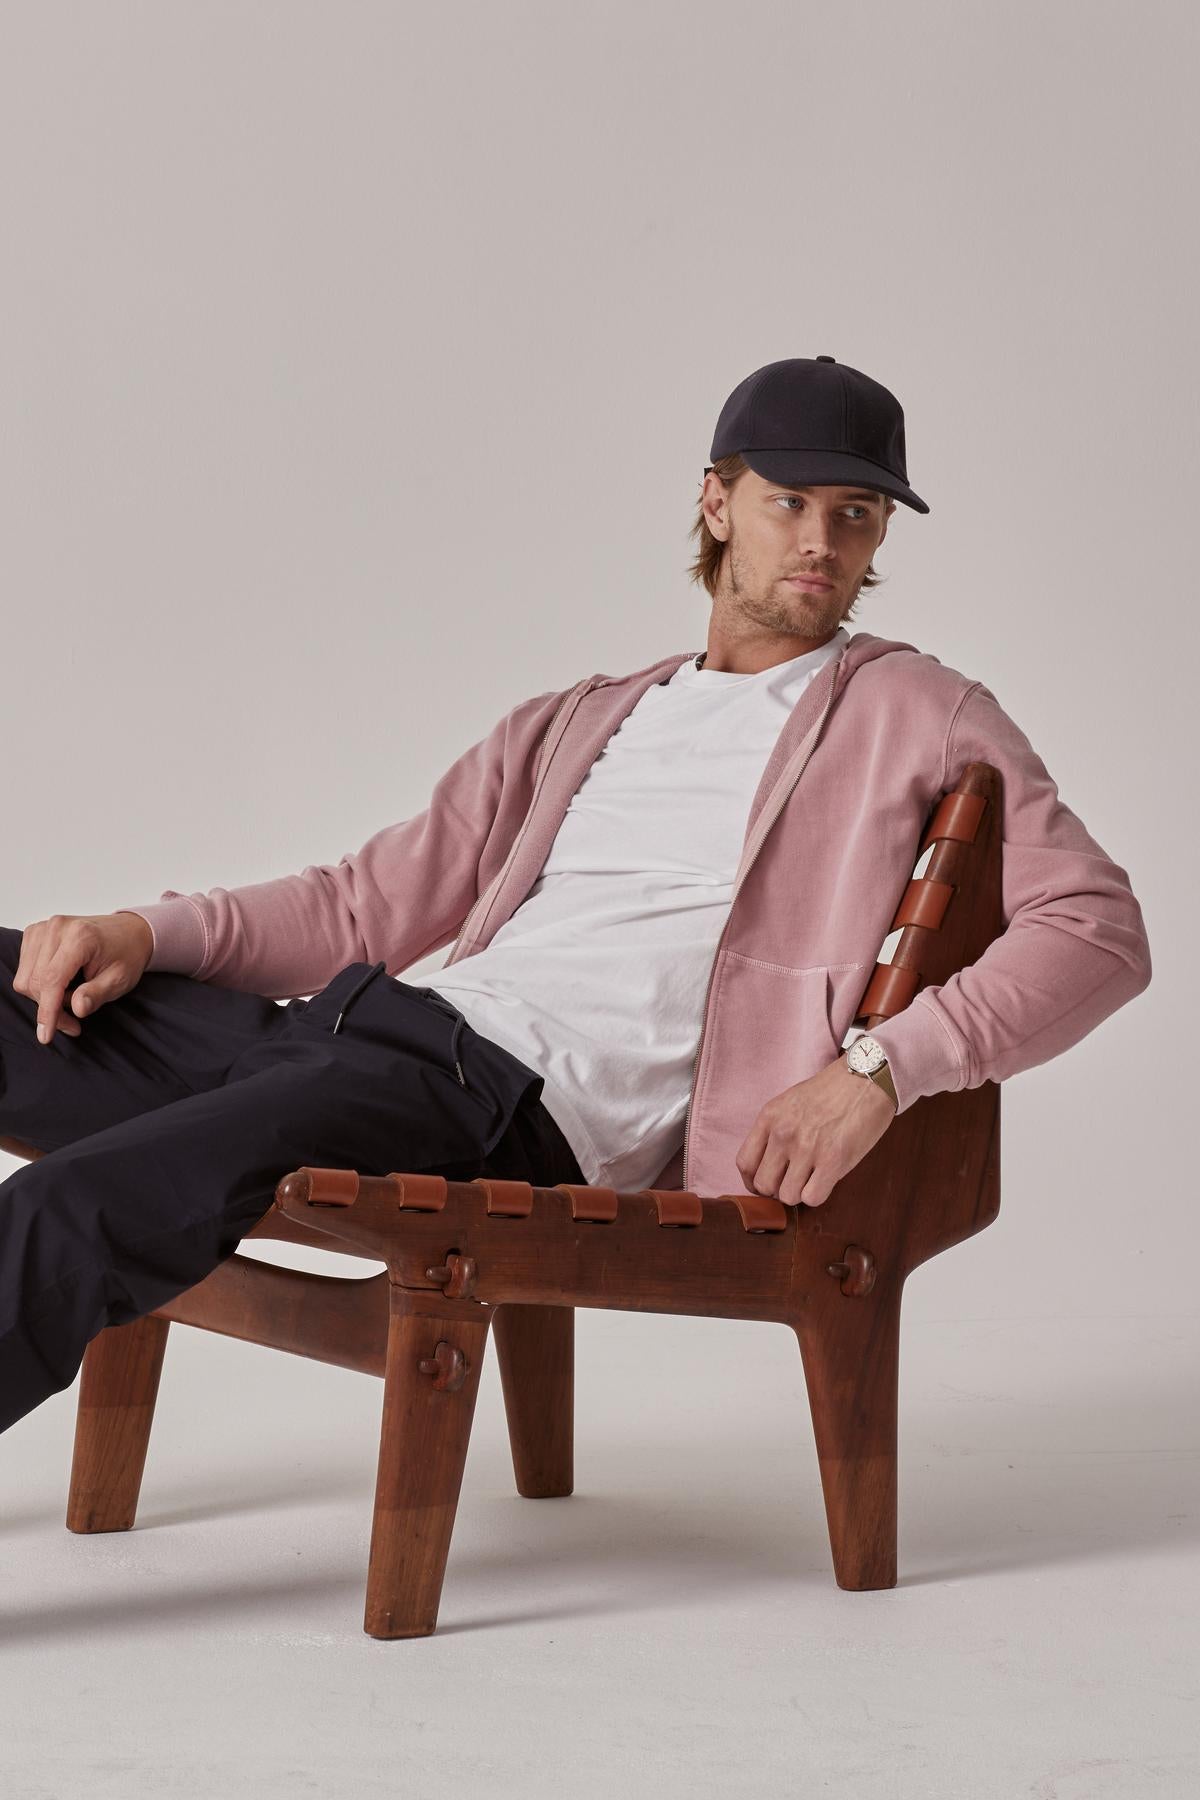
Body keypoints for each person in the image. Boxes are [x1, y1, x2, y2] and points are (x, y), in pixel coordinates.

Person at [0, 355, 1152, 1437]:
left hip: (495, 1105)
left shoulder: (917, 707)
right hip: (349, 1043)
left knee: (75, 1204)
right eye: (789, 502)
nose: (822, 541)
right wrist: (141, 930)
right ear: (716, 503)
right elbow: (360, 906)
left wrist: (880, 1072)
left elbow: (1098, 929)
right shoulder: (584, 720)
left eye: (856, 514)